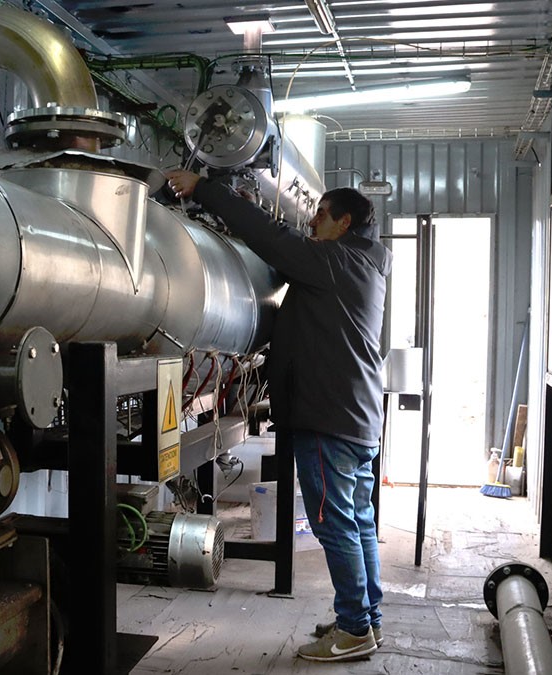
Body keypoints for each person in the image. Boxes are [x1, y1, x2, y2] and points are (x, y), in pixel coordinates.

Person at [165, 169, 392, 663]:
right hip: (355, 416)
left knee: (334, 523)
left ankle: (354, 630)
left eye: (320, 215)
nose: (311, 222)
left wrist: (203, 188)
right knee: (358, 523)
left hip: (327, 416)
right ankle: (366, 617)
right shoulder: (365, 264)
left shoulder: (333, 261)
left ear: (344, 222)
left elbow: (269, 235)